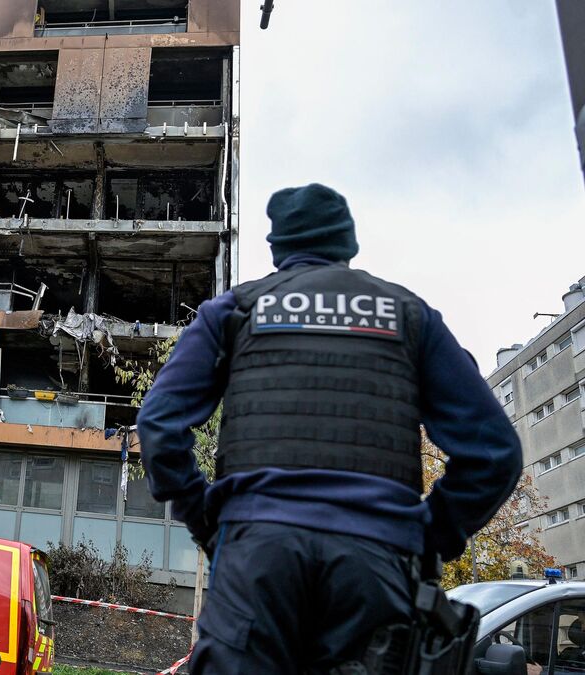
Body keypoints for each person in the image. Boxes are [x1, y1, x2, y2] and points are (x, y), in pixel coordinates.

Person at [137, 183, 523, 674]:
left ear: (277, 246)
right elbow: (494, 452)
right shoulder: (409, 316)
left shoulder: (234, 311)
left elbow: (158, 424)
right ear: (348, 243)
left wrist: (209, 523)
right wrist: (428, 537)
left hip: (257, 558)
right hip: (375, 566)